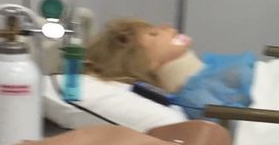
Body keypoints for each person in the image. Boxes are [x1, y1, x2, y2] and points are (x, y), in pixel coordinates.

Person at [86, 19, 256, 117]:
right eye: (153, 34)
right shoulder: (195, 99)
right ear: (146, 63)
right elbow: (241, 129)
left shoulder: (210, 69)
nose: (167, 26)